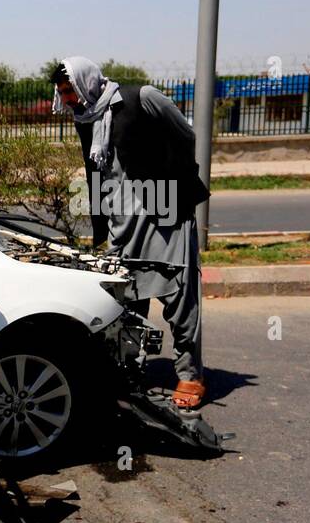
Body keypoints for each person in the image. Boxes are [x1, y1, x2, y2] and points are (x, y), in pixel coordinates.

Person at [52, 56, 210, 408]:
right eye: (63, 94)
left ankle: (190, 375)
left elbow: (185, 134)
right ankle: (130, 371)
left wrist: (176, 181)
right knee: (127, 305)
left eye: (69, 91)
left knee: (181, 301)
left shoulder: (141, 98)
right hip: (123, 225)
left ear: (85, 83)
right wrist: (99, 227)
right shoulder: (86, 118)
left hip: (165, 218)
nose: (67, 100)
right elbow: (97, 174)